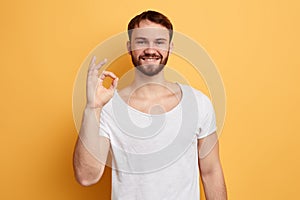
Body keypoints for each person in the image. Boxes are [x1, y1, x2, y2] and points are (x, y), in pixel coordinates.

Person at [73, 10, 227, 200]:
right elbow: (86, 177)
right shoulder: (108, 108)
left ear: (170, 47)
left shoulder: (198, 103)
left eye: (159, 42)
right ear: (129, 47)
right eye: (142, 41)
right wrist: (92, 108)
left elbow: (211, 172)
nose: (150, 49)